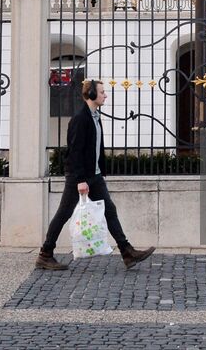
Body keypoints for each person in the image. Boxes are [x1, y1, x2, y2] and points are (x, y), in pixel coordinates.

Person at [37, 78, 155, 271]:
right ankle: (45, 254)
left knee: (110, 211)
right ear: (91, 94)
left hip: (95, 175)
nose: (105, 95)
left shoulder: (95, 116)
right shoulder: (80, 119)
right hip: (79, 176)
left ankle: (127, 251)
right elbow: (75, 151)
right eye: (101, 92)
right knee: (63, 213)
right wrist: (81, 180)